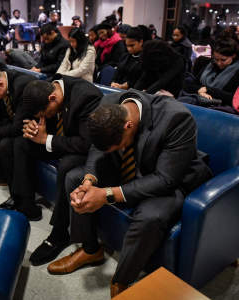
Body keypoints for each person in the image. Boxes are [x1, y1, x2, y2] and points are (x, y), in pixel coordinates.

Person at [46, 90, 212, 298]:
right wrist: (90, 180)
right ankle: (90, 250)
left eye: (118, 145)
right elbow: (99, 149)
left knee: (150, 217)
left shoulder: (176, 118)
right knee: (74, 179)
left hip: (170, 176)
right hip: (128, 166)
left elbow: (166, 179)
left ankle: (121, 281)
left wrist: (107, 194)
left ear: (128, 126)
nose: (113, 149)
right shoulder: (107, 105)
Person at [0, 76, 102, 223]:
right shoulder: (47, 86)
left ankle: (59, 226)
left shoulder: (87, 96)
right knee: (18, 143)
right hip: (57, 139)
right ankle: (25, 204)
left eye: (44, 114)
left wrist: (45, 139)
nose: (43, 117)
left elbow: (86, 143)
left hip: (79, 148)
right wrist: (32, 127)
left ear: (52, 98)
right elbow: (36, 119)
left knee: (67, 164)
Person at [181, 38, 239, 107]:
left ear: (233, 56)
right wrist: (200, 90)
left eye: (223, 60)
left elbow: (235, 98)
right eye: (216, 59)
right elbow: (191, 85)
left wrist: (207, 90)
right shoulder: (210, 64)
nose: (219, 63)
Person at [111, 26, 151, 90]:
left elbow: (141, 79)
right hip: (118, 89)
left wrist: (125, 86)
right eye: (127, 45)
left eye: (132, 45)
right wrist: (113, 82)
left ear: (141, 42)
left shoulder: (146, 59)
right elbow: (117, 73)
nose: (129, 49)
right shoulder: (124, 57)